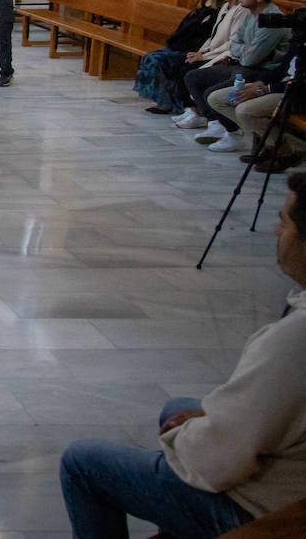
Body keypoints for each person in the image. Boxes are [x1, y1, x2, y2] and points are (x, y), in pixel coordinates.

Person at [59, 173, 306, 537]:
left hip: (267, 508)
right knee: (178, 408)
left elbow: (224, 456)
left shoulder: (293, 340)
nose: (275, 233)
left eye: (283, 222)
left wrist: (185, 439)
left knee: (82, 463)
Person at [180, 0, 290, 147]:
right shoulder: (251, 14)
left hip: (263, 71)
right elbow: (235, 42)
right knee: (193, 77)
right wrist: (243, 49)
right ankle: (215, 123)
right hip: (243, 64)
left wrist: (242, 50)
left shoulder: (271, 20)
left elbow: (251, 58)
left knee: (213, 93)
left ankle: (233, 132)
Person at [135, 0, 231, 114]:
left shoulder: (220, 9)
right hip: (179, 45)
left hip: (193, 49)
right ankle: (164, 100)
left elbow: (205, 35)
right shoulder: (202, 2)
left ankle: (170, 102)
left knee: (154, 59)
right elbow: (186, 28)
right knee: (151, 57)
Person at [170, 0, 247, 127]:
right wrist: (201, 51)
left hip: (227, 54)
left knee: (190, 72)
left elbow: (232, 42)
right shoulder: (225, 6)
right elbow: (214, 36)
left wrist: (205, 57)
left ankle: (205, 115)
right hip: (212, 51)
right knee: (179, 64)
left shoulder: (241, 10)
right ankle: (191, 109)